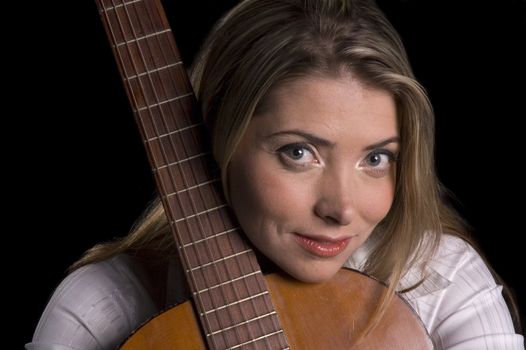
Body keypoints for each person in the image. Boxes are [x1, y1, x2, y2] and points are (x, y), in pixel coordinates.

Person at [27, 0, 523, 349]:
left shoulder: (439, 282)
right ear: (216, 139)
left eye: (375, 159)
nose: (342, 208)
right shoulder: (100, 308)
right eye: (299, 152)